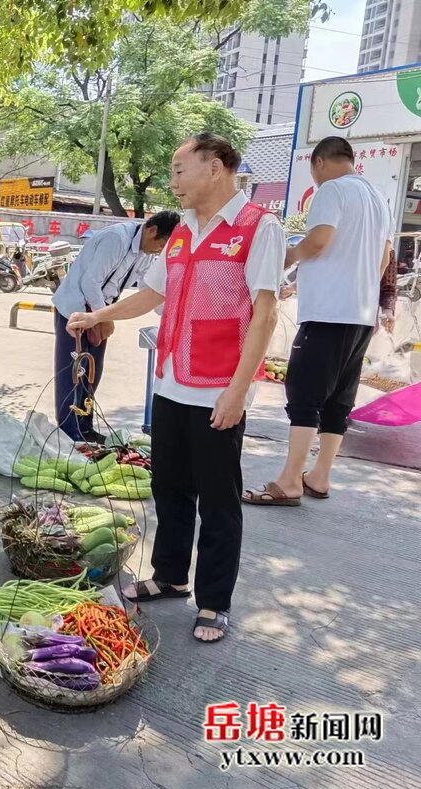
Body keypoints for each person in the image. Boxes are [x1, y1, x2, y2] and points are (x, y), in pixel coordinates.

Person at [68, 133, 284, 643]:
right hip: (171, 380)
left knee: (218, 499)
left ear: (215, 167)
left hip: (217, 388)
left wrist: (237, 391)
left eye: (179, 169)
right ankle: (169, 575)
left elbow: (266, 314)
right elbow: (151, 293)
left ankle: (214, 602)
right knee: (170, 488)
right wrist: (99, 313)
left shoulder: (258, 228)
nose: (173, 181)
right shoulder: (182, 231)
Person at [244, 136, 392, 506]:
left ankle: (290, 480)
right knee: (339, 399)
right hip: (360, 315)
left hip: (328, 313)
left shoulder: (331, 190)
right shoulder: (377, 198)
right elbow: (384, 259)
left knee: (305, 394)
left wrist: (286, 258)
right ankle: (320, 477)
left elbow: (319, 241)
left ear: (320, 163)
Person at [52, 211, 180, 442]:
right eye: (161, 244)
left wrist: (170, 311)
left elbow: (147, 288)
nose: (159, 251)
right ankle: (68, 431)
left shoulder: (144, 252)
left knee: (92, 373)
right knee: (74, 371)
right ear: (152, 230)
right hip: (76, 309)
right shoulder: (117, 239)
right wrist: (105, 318)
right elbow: (90, 282)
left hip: (101, 309)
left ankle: (85, 426)